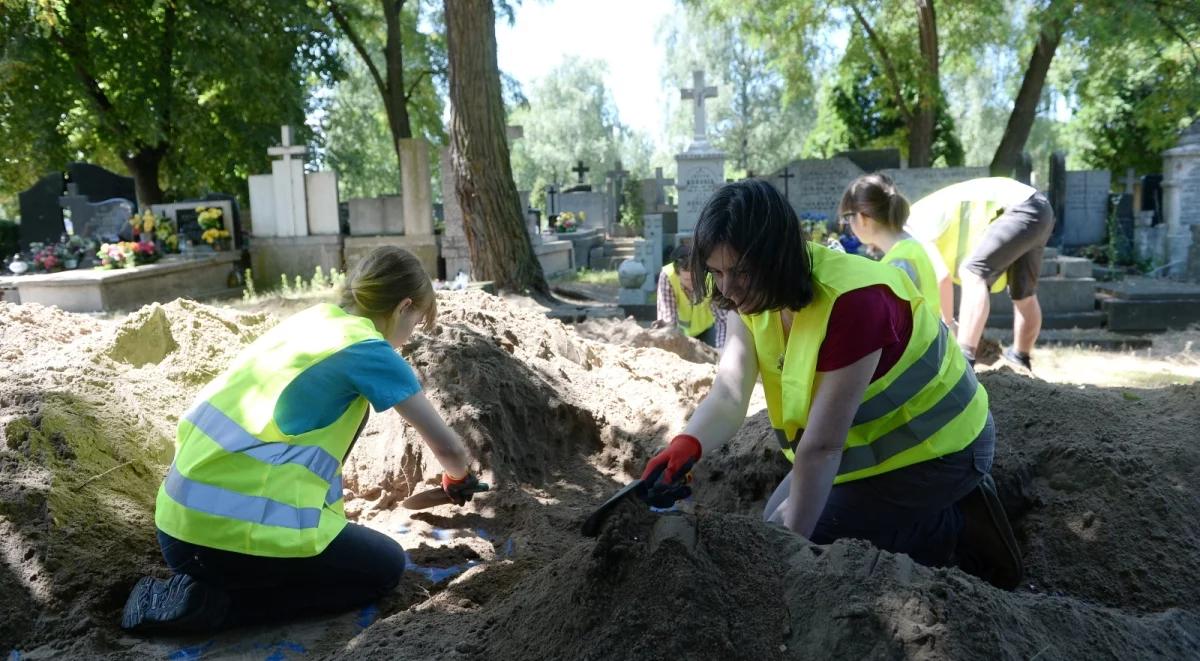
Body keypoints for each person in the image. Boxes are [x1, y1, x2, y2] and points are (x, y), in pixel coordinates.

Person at [639, 179, 1021, 588]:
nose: (729, 289)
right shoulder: (749, 300)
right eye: (717, 272)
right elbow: (730, 392)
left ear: (777, 256)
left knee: (812, 535)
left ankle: (957, 525)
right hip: (870, 442)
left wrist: (784, 558)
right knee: (774, 520)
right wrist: (688, 443)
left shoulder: (855, 300)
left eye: (741, 272)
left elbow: (821, 449)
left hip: (944, 448)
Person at [121, 246, 485, 632]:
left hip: (178, 523)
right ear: (402, 307)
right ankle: (214, 606)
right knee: (383, 568)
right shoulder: (368, 351)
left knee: (348, 552)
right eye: (416, 322)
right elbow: (447, 447)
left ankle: (209, 587)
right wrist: (458, 477)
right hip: (219, 540)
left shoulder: (315, 322)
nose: (410, 336)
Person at [906, 177, 1056, 370]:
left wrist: (949, 324)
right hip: (1039, 208)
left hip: (1021, 206)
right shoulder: (916, 216)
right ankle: (1020, 357)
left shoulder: (911, 225)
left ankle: (964, 358)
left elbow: (941, 276)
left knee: (972, 272)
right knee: (1023, 294)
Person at [838, 173, 948, 325]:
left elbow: (886, 326)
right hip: (934, 342)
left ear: (862, 218)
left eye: (848, 217)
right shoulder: (912, 244)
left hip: (919, 347)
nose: (848, 224)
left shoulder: (897, 264)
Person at [654, 244, 728, 349]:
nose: (692, 285)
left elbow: (723, 319)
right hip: (680, 331)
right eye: (687, 280)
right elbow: (667, 316)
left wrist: (722, 348)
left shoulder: (711, 277)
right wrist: (669, 342)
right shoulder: (667, 276)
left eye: (696, 279)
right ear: (677, 273)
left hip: (707, 329)